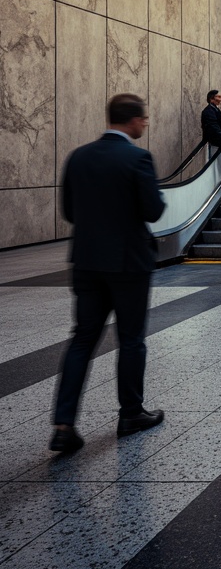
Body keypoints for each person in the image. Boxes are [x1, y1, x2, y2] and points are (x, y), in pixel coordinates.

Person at [50, 94, 166, 454]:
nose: (145, 124)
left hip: (86, 262)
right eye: (144, 119)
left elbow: (70, 211)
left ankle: (64, 425)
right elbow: (153, 209)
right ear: (131, 120)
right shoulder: (138, 158)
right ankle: (131, 414)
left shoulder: (78, 157)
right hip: (129, 264)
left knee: (82, 339)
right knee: (131, 340)